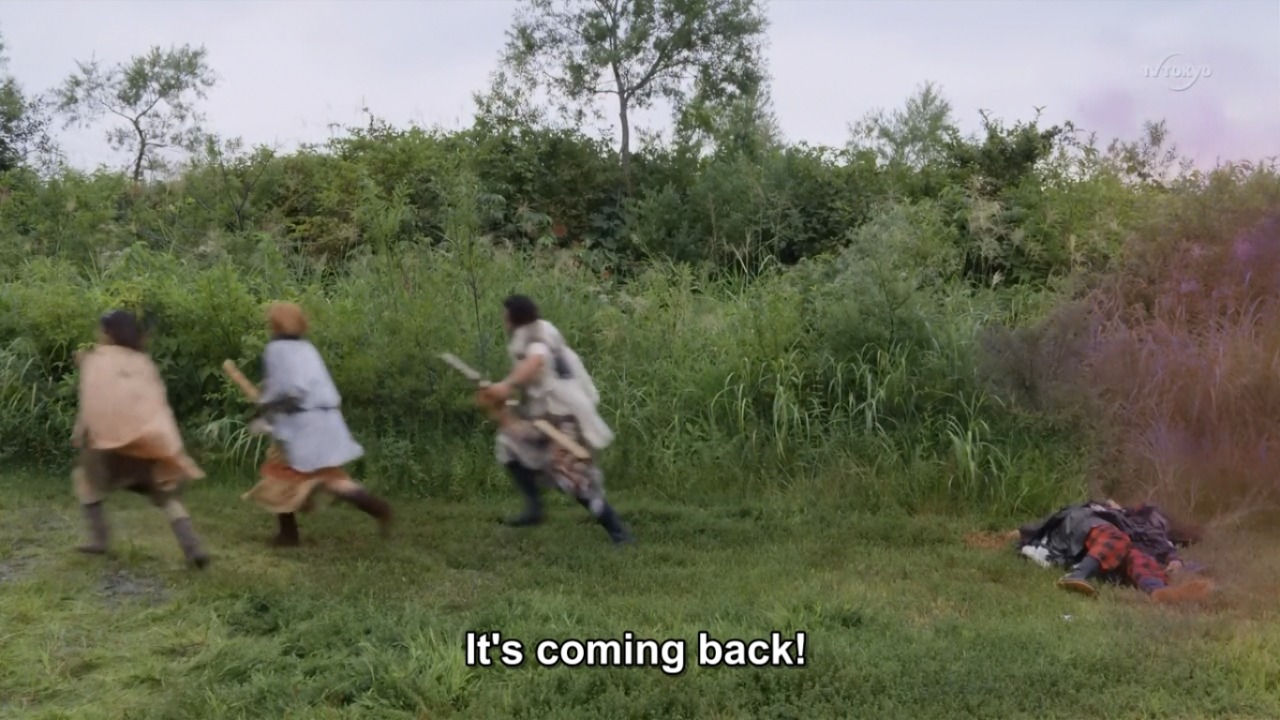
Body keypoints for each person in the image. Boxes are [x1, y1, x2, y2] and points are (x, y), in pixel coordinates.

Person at [477, 294, 633, 546]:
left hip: (567, 417)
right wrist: (502, 402)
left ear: (514, 316)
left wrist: (506, 385)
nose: (503, 318)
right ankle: (534, 508)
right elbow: (532, 380)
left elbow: (536, 361)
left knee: (575, 478)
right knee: (510, 444)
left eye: (506, 314)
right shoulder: (538, 330)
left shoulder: (535, 336)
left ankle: (619, 533)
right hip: (547, 416)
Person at [241, 302, 393, 546]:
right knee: (330, 477)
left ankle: (288, 535)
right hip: (328, 420)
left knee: (279, 473)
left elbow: (291, 390)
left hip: (304, 424)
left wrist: (265, 411)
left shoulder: (277, 349)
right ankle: (377, 507)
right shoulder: (307, 348)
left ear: (275, 325)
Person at [71, 310, 210, 568]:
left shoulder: (97, 359)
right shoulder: (143, 362)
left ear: (107, 333)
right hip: (147, 442)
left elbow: (94, 404)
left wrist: (80, 433)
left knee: (85, 480)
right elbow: (154, 404)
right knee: (168, 497)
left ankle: (99, 540)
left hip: (109, 446)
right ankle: (192, 548)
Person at [1017, 499, 1211, 603]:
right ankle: (1076, 575)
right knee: (1116, 538)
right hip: (1084, 528)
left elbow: (1157, 540)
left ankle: (1158, 592)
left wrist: (1174, 559)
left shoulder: (1135, 522)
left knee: (1134, 554)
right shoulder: (1093, 508)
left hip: (1101, 547)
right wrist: (1016, 534)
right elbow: (1046, 523)